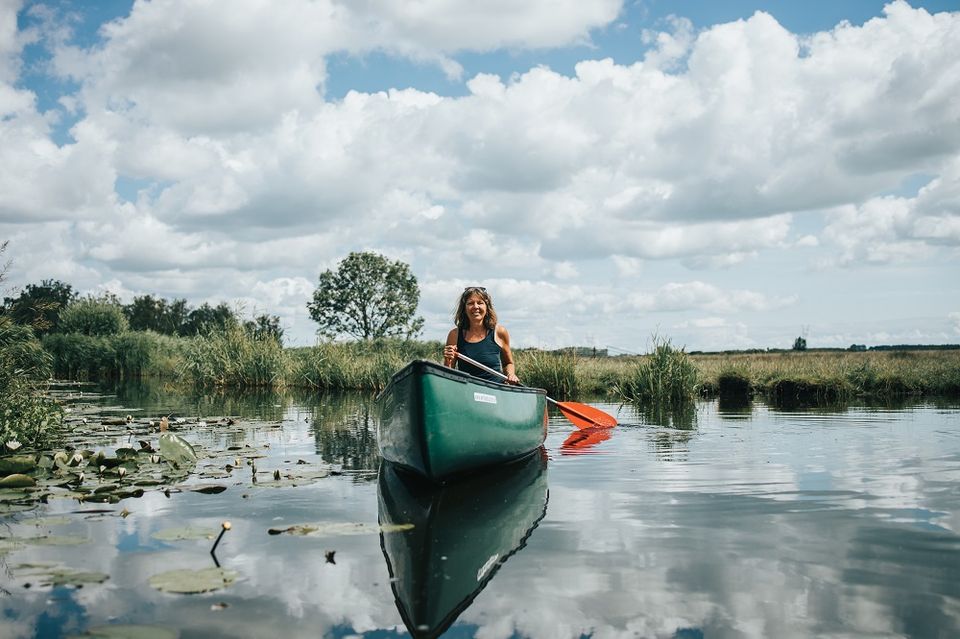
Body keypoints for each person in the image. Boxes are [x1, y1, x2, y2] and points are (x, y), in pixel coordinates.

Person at [443, 286, 520, 384]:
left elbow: (508, 363)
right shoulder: (454, 334)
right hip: (467, 390)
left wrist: (510, 374)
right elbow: (448, 373)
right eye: (470, 303)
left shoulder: (500, 332)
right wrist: (447, 360)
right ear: (464, 308)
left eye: (480, 303)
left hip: (495, 390)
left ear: (487, 307)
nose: (475, 307)